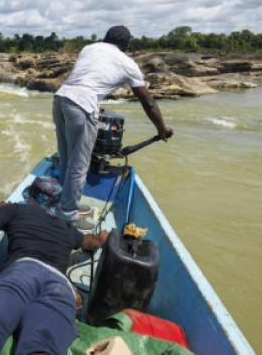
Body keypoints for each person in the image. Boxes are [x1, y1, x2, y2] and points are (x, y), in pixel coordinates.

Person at [0, 201, 108, 355]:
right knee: (43, 347)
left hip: (24, 271)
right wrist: (102, 237)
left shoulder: (19, 210)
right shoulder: (66, 228)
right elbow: (92, 242)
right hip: (60, 284)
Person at [53, 25, 172, 230]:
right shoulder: (128, 63)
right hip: (81, 105)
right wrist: (161, 128)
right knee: (79, 164)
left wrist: (94, 102)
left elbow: (86, 77)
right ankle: (68, 214)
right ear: (126, 44)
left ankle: (65, 203)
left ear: (106, 38)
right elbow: (148, 101)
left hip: (61, 99)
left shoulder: (89, 49)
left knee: (66, 157)